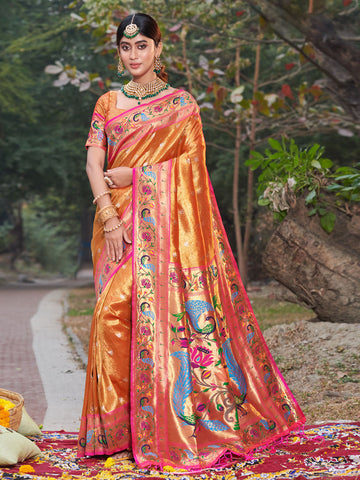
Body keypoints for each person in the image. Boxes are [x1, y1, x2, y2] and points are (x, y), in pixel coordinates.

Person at [77, 12, 305, 471]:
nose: (133, 55)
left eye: (142, 46)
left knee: (152, 322)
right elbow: (92, 164)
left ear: (158, 50)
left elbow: (194, 172)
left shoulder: (182, 105)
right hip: (116, 223)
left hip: (164, 234)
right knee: (109, 319)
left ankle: (161, 426)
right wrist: (110, 215)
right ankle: (117, 433)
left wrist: (138, 174)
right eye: (126, 48)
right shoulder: (107, 102)